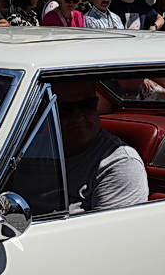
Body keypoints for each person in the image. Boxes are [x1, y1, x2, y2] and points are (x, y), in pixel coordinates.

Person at [52, 78, 148, 213]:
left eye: (87, 105)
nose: (79, 117)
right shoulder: (27, 150)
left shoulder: (120, 163)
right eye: (65, 109)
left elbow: (110, 232)